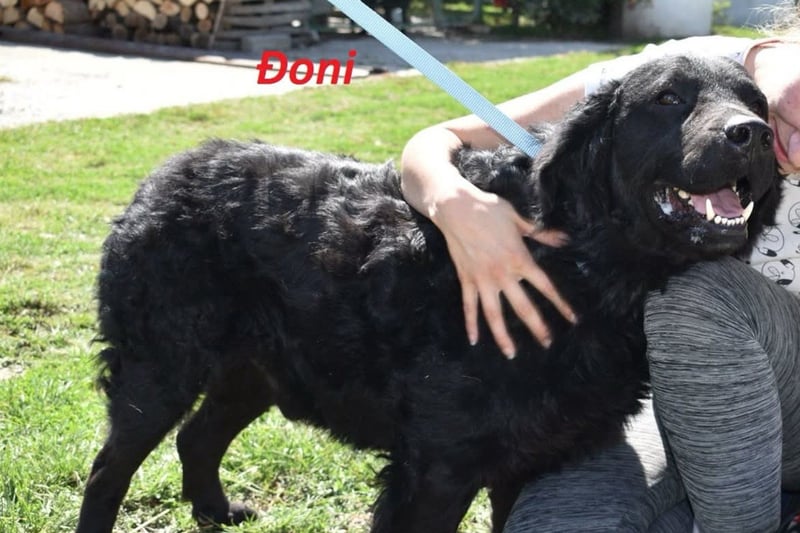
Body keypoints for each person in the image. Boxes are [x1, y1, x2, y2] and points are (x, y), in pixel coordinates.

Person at [399, 3, 800, 531]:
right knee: (561, 522)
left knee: (698, 291)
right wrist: (455, 204)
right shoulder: (685, 70)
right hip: (681, 397)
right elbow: (442, 139)